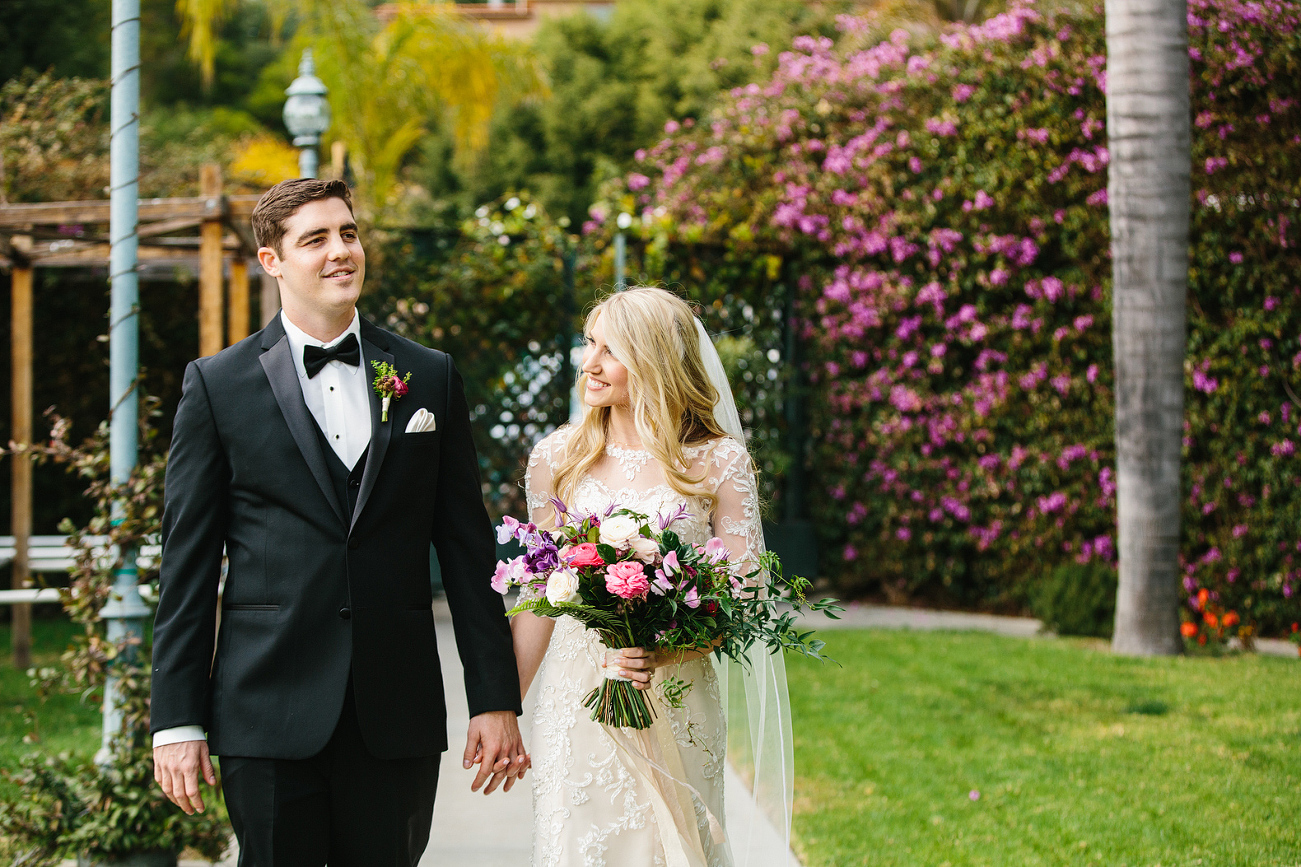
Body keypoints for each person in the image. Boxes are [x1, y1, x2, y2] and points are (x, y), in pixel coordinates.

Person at [150, 178, 527, 867]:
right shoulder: (217, 384)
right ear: (272, 261)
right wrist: (177, 718)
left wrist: (494, 698)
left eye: (348, 232)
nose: (340, 250)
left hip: (397, 711)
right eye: (315, 238)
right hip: (264, 710)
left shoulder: (428, 375)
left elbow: (470, 553)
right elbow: (187, 564)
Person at [511, 286, 795, 867]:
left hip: (676, 695)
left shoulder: (719, 463)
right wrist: (502, 708)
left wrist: (658, 654)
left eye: (608, 349)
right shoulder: (556, 458)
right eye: (590, 343)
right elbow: (538, 598)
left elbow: (741, 598)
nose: (587, 362)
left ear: (654, 360)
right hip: (576, 699)